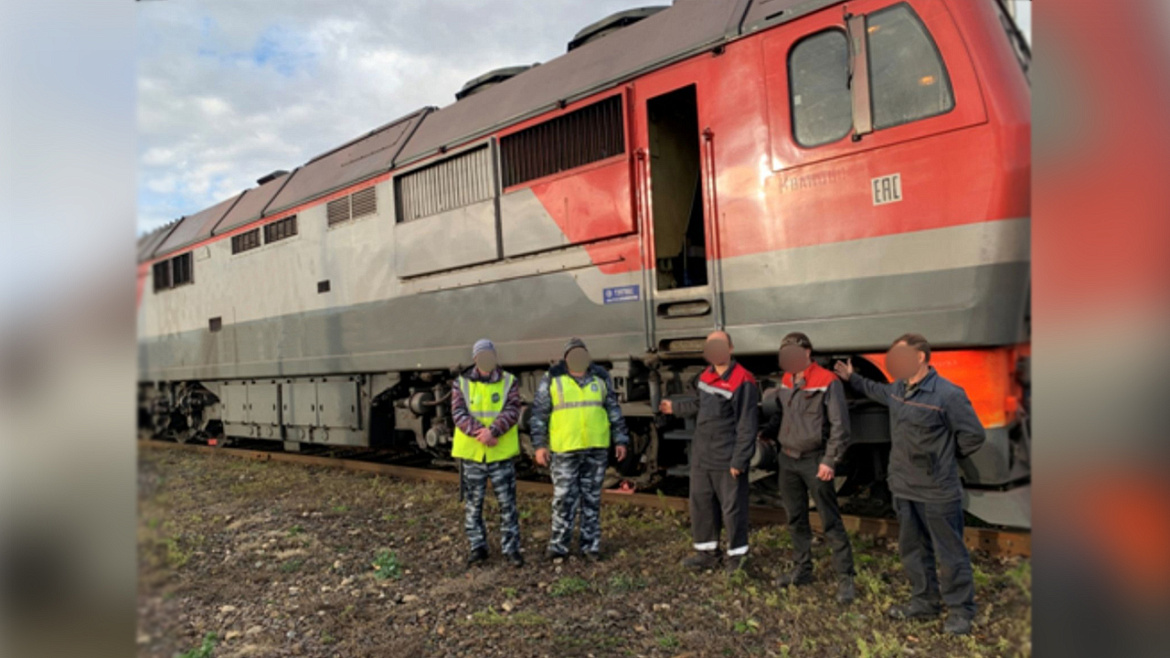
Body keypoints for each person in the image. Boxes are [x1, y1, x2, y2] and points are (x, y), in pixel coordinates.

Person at [833, 333, 986, 635]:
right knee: (913, 550)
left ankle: (961, 611)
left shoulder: (947, 394)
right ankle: (924, 602)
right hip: (904, 487)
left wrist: (943, 457)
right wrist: (852, 378)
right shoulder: (898, 389)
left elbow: (973, 435)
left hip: (937, 489)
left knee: (950, 553)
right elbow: (875, 389)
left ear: (919, 358)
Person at [760, 332, 856, 602]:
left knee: (830, 520)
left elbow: (840, 427)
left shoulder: (827, 382)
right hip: (788, 460)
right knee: (795, 517)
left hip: (815, 461)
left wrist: (829, 460)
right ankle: (802, 570)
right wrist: (766, 433)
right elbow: (782, 414)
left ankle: (845, 578)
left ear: (807, 353)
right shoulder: (787, 379)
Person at [660, 330, 759, 573]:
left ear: (730, 349)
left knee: (733, 508)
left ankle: (737, 558)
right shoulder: (705, 376)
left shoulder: (743, 380)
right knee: (701, 504)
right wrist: (675, 408)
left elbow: (747, 424)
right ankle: (706, 554)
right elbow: (698, 404)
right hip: (702, 454)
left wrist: (740, 459)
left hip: (727, 455)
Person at [530, 337, 630, 562]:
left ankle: (590, 546)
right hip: (565, 448)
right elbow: (539, 414)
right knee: (563, 499)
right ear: (566, 358)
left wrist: (620, 439)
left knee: (591, 499)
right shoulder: (553, 379)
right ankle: (559, 545)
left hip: (596, 447)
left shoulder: (600, 378)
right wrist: (540, 445)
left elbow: (613, 409)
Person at [450, 339, 524, 568]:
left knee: (507, 504)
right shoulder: (461, 383)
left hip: (500, 453)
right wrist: (480, 433)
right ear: (475, 358)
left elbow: (513, 409)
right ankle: (478, 547)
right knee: (473, 504)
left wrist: (493, 431)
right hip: (474, 454)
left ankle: (511, 549)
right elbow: (458, 413)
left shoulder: (509, 381)